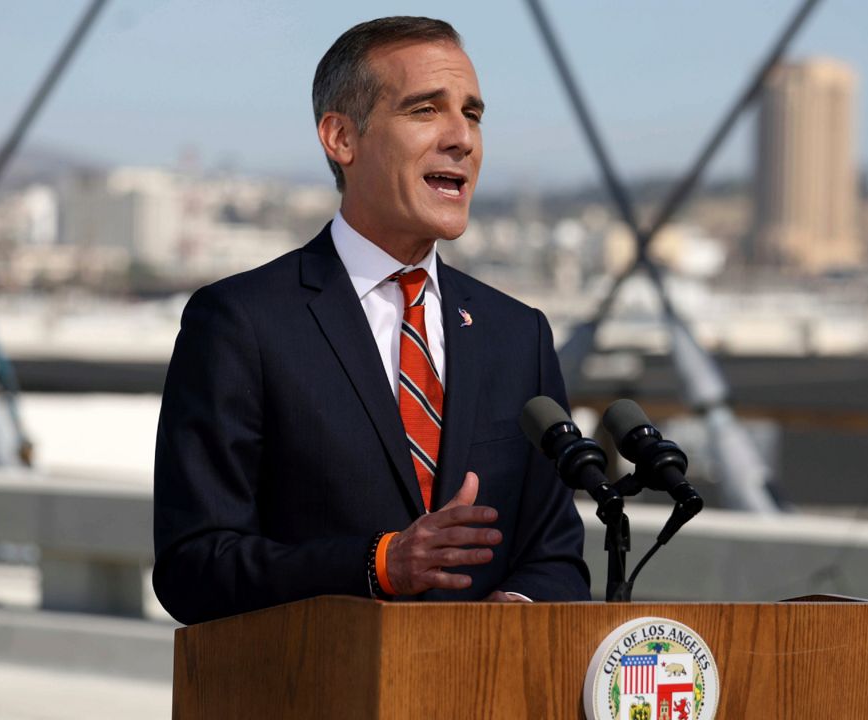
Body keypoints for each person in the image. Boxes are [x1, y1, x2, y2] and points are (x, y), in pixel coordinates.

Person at [153, 16, 589, 626]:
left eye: (473, 113)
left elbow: (557, 555)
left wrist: (508, 620)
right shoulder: (239, 324)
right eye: (425, 110)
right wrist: (380, 564)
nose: (461, 137)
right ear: (341, 138)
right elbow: (194, 566)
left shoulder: (519, 335)